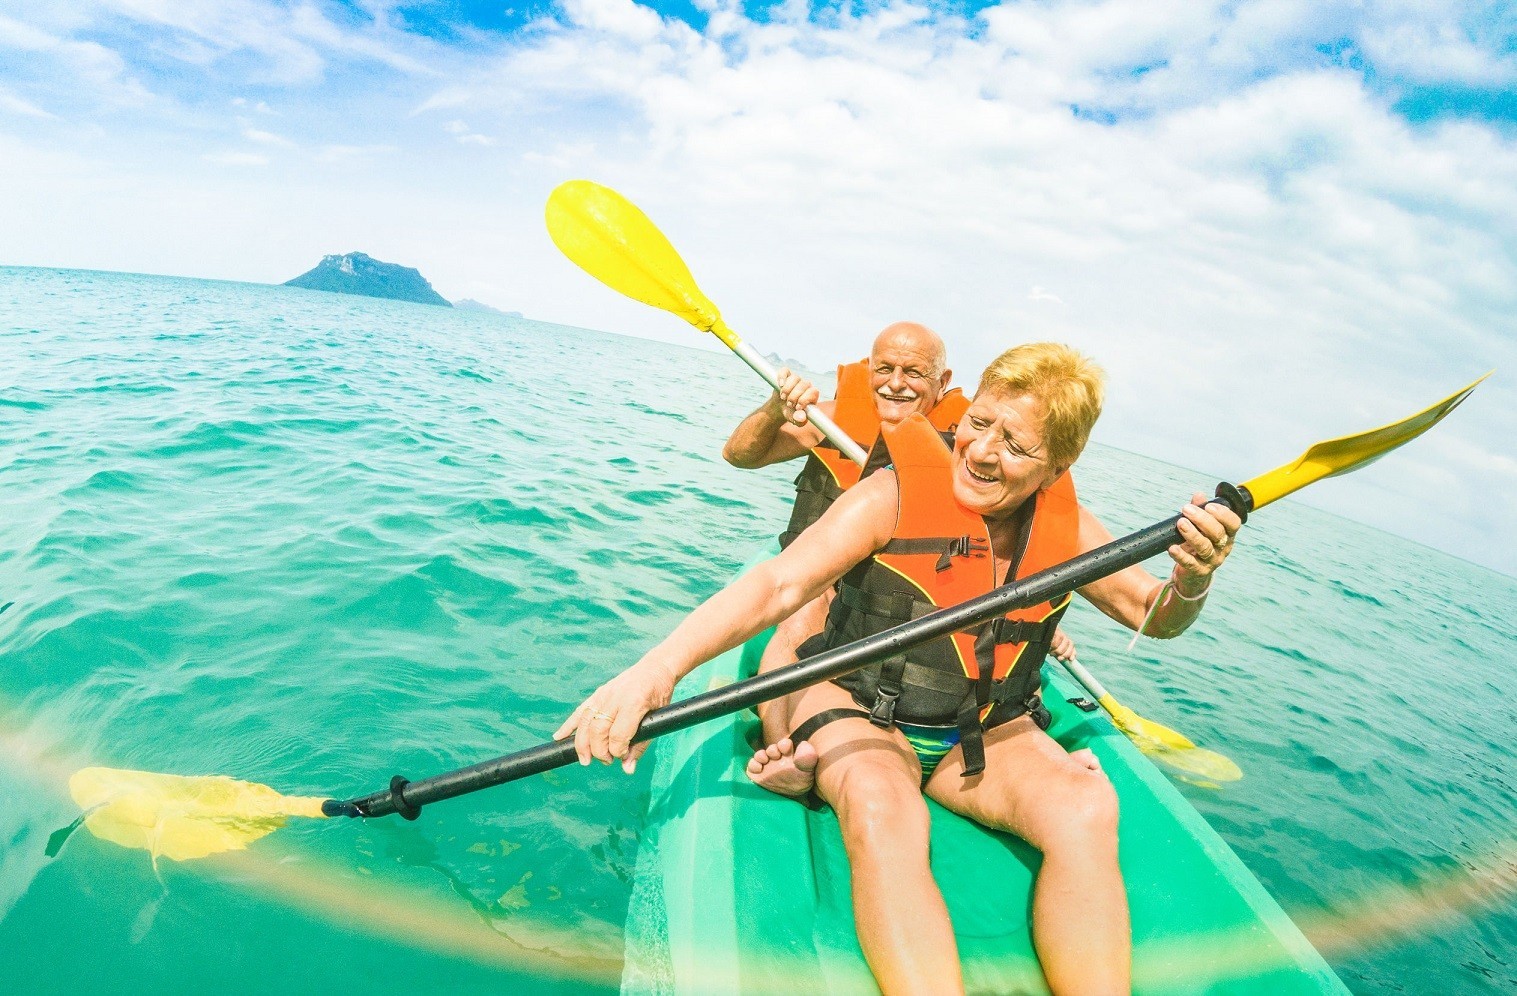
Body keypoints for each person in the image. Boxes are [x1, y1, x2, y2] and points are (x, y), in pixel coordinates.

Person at [556, 343, 1242, 994]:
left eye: (1016, 444)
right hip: (861, 708)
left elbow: (1154, 618)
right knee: (885, 806)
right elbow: (777, 587)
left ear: (1057, 464)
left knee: (1086, 805)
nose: (980, 450)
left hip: (978, 732)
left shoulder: (1069, 526)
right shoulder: (892, 493)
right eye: (978, 423)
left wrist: (1192, 580)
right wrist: (656, 669)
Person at [722, 323, 1074, 752]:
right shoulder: (828, 419)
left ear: (942, 383)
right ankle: (781, 744)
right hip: (822, 578)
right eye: (883, 369)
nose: (894, 384)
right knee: (803, 613)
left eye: (913, 373)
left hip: (901, 595)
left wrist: (1031, 618)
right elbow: (738, 455)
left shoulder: (966, 449)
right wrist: (775, 409)